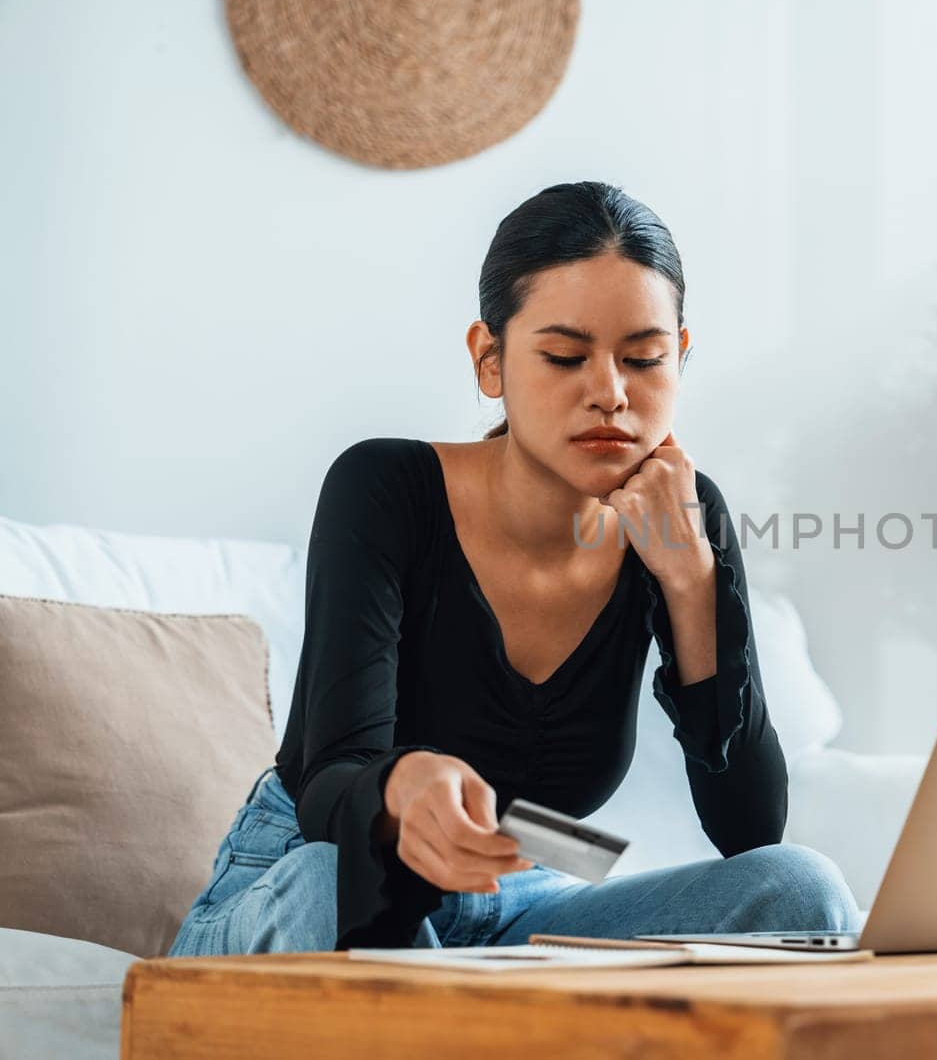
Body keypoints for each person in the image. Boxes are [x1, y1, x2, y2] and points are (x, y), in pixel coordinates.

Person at [169, 181, 860, 955]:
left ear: (681, 358)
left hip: (518, 891)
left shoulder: (683, 518)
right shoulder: (383, 488)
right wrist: (401, 786)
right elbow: (332, 774)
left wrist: (691, 582)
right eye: (565, 356)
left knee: (804, 891)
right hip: (320, 870)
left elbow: (751, 830)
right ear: (490, 359)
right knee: (329, 889)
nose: (609, 392)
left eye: (644, 358)